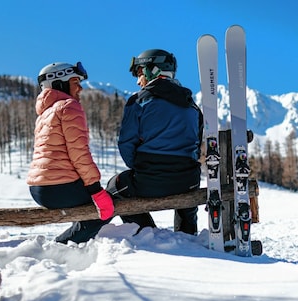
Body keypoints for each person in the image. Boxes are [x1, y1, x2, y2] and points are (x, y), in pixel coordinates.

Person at [106, 49, 203, 235]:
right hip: (187, 181)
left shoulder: (139, 101)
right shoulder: (192, 106)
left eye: (140, 72)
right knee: (189, 187)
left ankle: (148, 233)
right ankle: (187, 236)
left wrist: (143, 167)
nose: (138, 80)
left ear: (153, 69)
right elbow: (196, 147)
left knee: (115, 186)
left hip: (148, 180)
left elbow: (126, 143)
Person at [27, 61, 114, 244]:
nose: (80, 88)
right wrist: (96, 190)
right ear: (60, 83)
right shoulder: (68, 106)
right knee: (110, 206)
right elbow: (79, 153)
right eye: (76, 82)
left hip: (38, 190)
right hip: (59, 189)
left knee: (90, 210)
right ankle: (59, 247)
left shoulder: (45, 113)